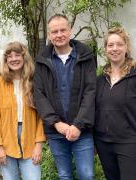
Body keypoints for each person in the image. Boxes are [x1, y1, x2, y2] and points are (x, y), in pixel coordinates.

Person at [33, 14, 96, 180]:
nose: (59, 34)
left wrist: (78, 125)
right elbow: (39, 95)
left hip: (82, 131)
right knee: (64, 175)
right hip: (56, 132)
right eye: (54, 31)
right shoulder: (41, 61)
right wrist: (56, 123)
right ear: (49, 35)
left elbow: (91, 92)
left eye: (63, 30)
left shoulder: (86, 56)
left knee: (87, 175)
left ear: (70, 31)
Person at [0, 41, 46, 180]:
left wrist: (38, 145)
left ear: (24, 57)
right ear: (5, 60)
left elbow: (42, 115)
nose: (14, 59)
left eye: (17, 55)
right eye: (10, 56)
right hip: (6, 140)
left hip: (30, 139)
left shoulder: (34, 81)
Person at [94, 27, 136, 180]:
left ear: (126, 47)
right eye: (110, 45)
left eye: (119, 44)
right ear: (105, 49)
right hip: (104, 143)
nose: (115, 49)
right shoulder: (99, 80)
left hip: (129, 142)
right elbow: (95, 111)